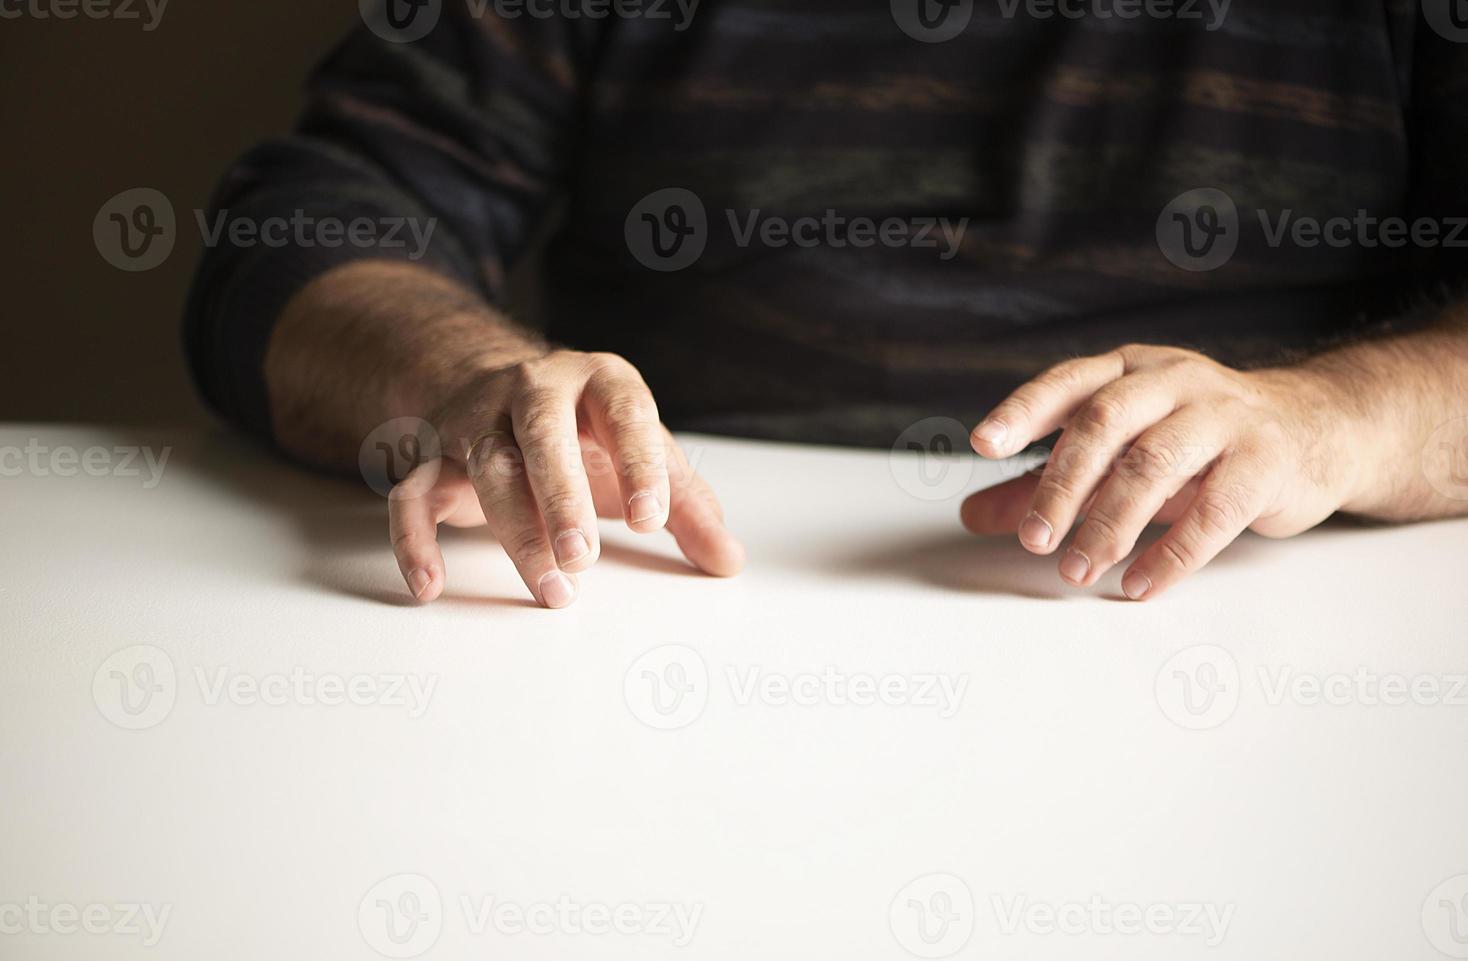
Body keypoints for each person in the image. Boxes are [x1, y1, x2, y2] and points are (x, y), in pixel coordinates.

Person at [185, 2, 1468, 609]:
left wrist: (1331, 419)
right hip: (648, 610)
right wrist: (460, 379)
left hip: (1251, 632)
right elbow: (304, 226)